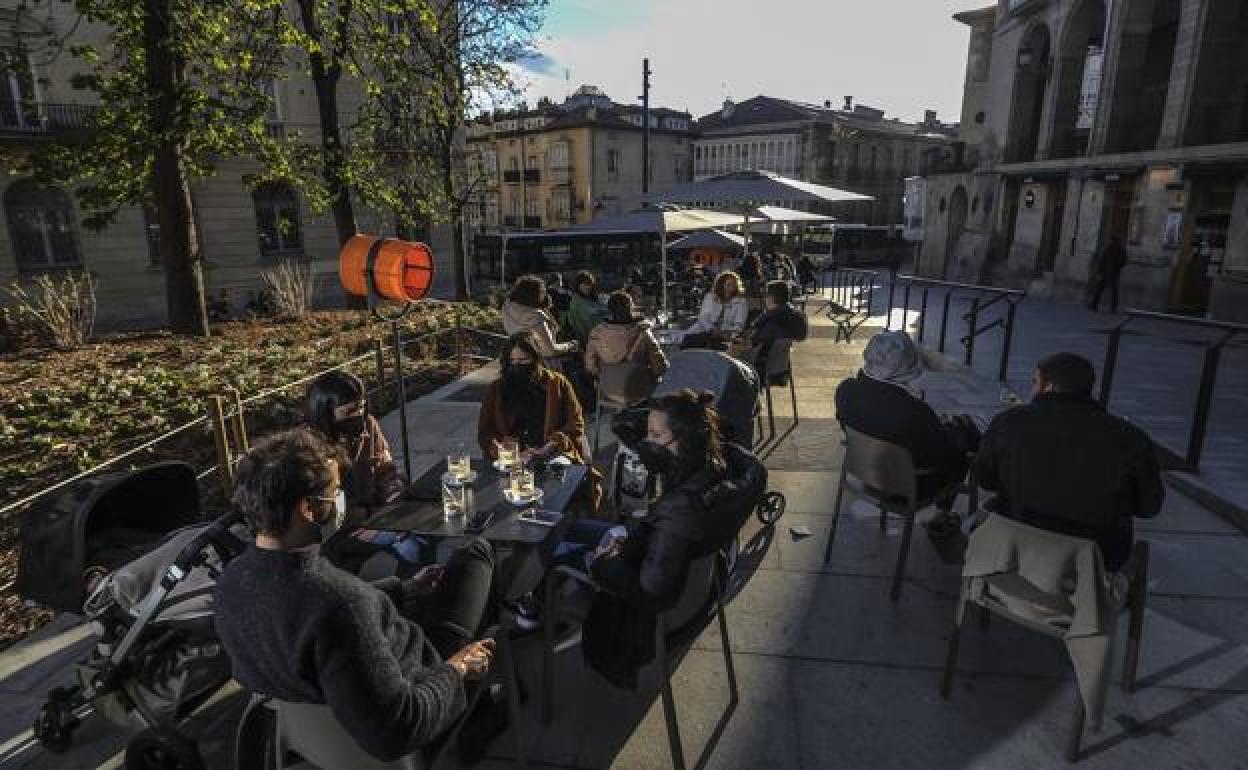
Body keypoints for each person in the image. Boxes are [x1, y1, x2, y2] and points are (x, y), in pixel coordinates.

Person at [215, 428, 501, 762]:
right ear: (308, 508)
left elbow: (306, 618)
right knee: (477, 553)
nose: (341, 501)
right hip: (422, 678)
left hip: (309, 730)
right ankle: (479, 714)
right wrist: (457, 669)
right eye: (335, 491)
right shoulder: (342, 604)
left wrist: (401, 590)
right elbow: (397, 730)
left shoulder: (231, 582)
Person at [553, 390, 766, 689]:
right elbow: (631, 422)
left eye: (654, 435)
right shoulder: (714, 468)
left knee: (557, 548)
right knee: (579, 529)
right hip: (693, 584)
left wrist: (603, 562)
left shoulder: (679, 512)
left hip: (642, 620)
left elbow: (650, 593)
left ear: (685, 439)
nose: (646, 443)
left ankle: (537, 606)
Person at [974, 352, 1163, 572]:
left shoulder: (1009, 422)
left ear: (1049, 386)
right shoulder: (1131, 438)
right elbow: (1149, 507)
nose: (1033, 389)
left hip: (1015, 553)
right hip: (1092, 566)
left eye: (1035, 382)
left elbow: (985, 480)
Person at [834, 331, 976, 538]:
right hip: (906, 487)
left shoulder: (845, 391)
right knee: (964, 450)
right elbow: (944, 456)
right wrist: (954, 433)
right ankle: (940, 517)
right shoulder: (914, 412)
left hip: (863, 473)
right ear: (906, 368)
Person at [304, 370, 420, 574]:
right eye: (349, 411)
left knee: (424, 531)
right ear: (326, 412)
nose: (358, 415)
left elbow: (386, 468)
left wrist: (394, 490)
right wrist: (370, 519)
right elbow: (327, 515)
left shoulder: (368, 425)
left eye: (362, 407)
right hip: (337, 532)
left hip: (378, 515)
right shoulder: (312, 449)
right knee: (411, 547)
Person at [477, 332, 601, 508]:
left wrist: (548, 447)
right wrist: (502, 452)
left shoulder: (557, 383)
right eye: (513, 362)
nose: (517, 366)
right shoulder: (496, 389)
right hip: (510, 459)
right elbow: (485, 432)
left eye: (523, 361)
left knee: (555, 492)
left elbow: (575, 423)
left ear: (535, 359)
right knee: (500, 499)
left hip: (550, 452)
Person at [584, 290, 669, 381]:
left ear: (610, 310)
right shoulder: (643, 332)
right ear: (631, 309)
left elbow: (590, 366)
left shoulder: (596, 333)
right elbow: (660, 366)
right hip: (637, 387)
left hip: (607, 387)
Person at [741, 280, 809, 382]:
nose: (764, 298)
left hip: (762, 365)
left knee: (728, 353)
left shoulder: (772, 320)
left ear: (772, 297)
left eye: (766, 295)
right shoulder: (794, 316)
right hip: (781, 366)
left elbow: (754, 341)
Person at [501, 274, 578, 361]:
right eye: (542, 292)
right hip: (537, 361)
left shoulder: (508, 306)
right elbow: (550, 351)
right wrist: (570, 345)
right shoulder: (536, 318)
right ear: (536, 294)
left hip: (515, 356)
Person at [683, 271, 749, 349]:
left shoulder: (741, 302)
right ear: (721, 285)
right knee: (689, 341)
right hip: (705, 331)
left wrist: (729, 334)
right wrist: (712, 330)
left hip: (727, 335)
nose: (732, 288)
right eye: (729, 285)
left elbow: (739, 324)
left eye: (734, 285)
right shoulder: (710, 297)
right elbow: (703, 318)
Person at [565, 270, 609, 344]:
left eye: (589, 284)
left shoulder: (592, 298)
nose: (588, 287)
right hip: (589, 339)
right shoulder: (577, 301)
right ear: (578, 285)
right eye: (584, 284)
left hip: (601, 335)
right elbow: (588, 319)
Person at [1088, 236, 1128, 313]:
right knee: (1110, 290)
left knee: (1102, 289)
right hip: (1111, 273)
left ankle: (1095, 305)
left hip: (1108, 272)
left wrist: (1100, 271)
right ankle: (1111, 307)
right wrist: (1117, 267)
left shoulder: (1113, 249)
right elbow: (1104, 260)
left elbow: (1103, 261)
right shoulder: (1118, 249)